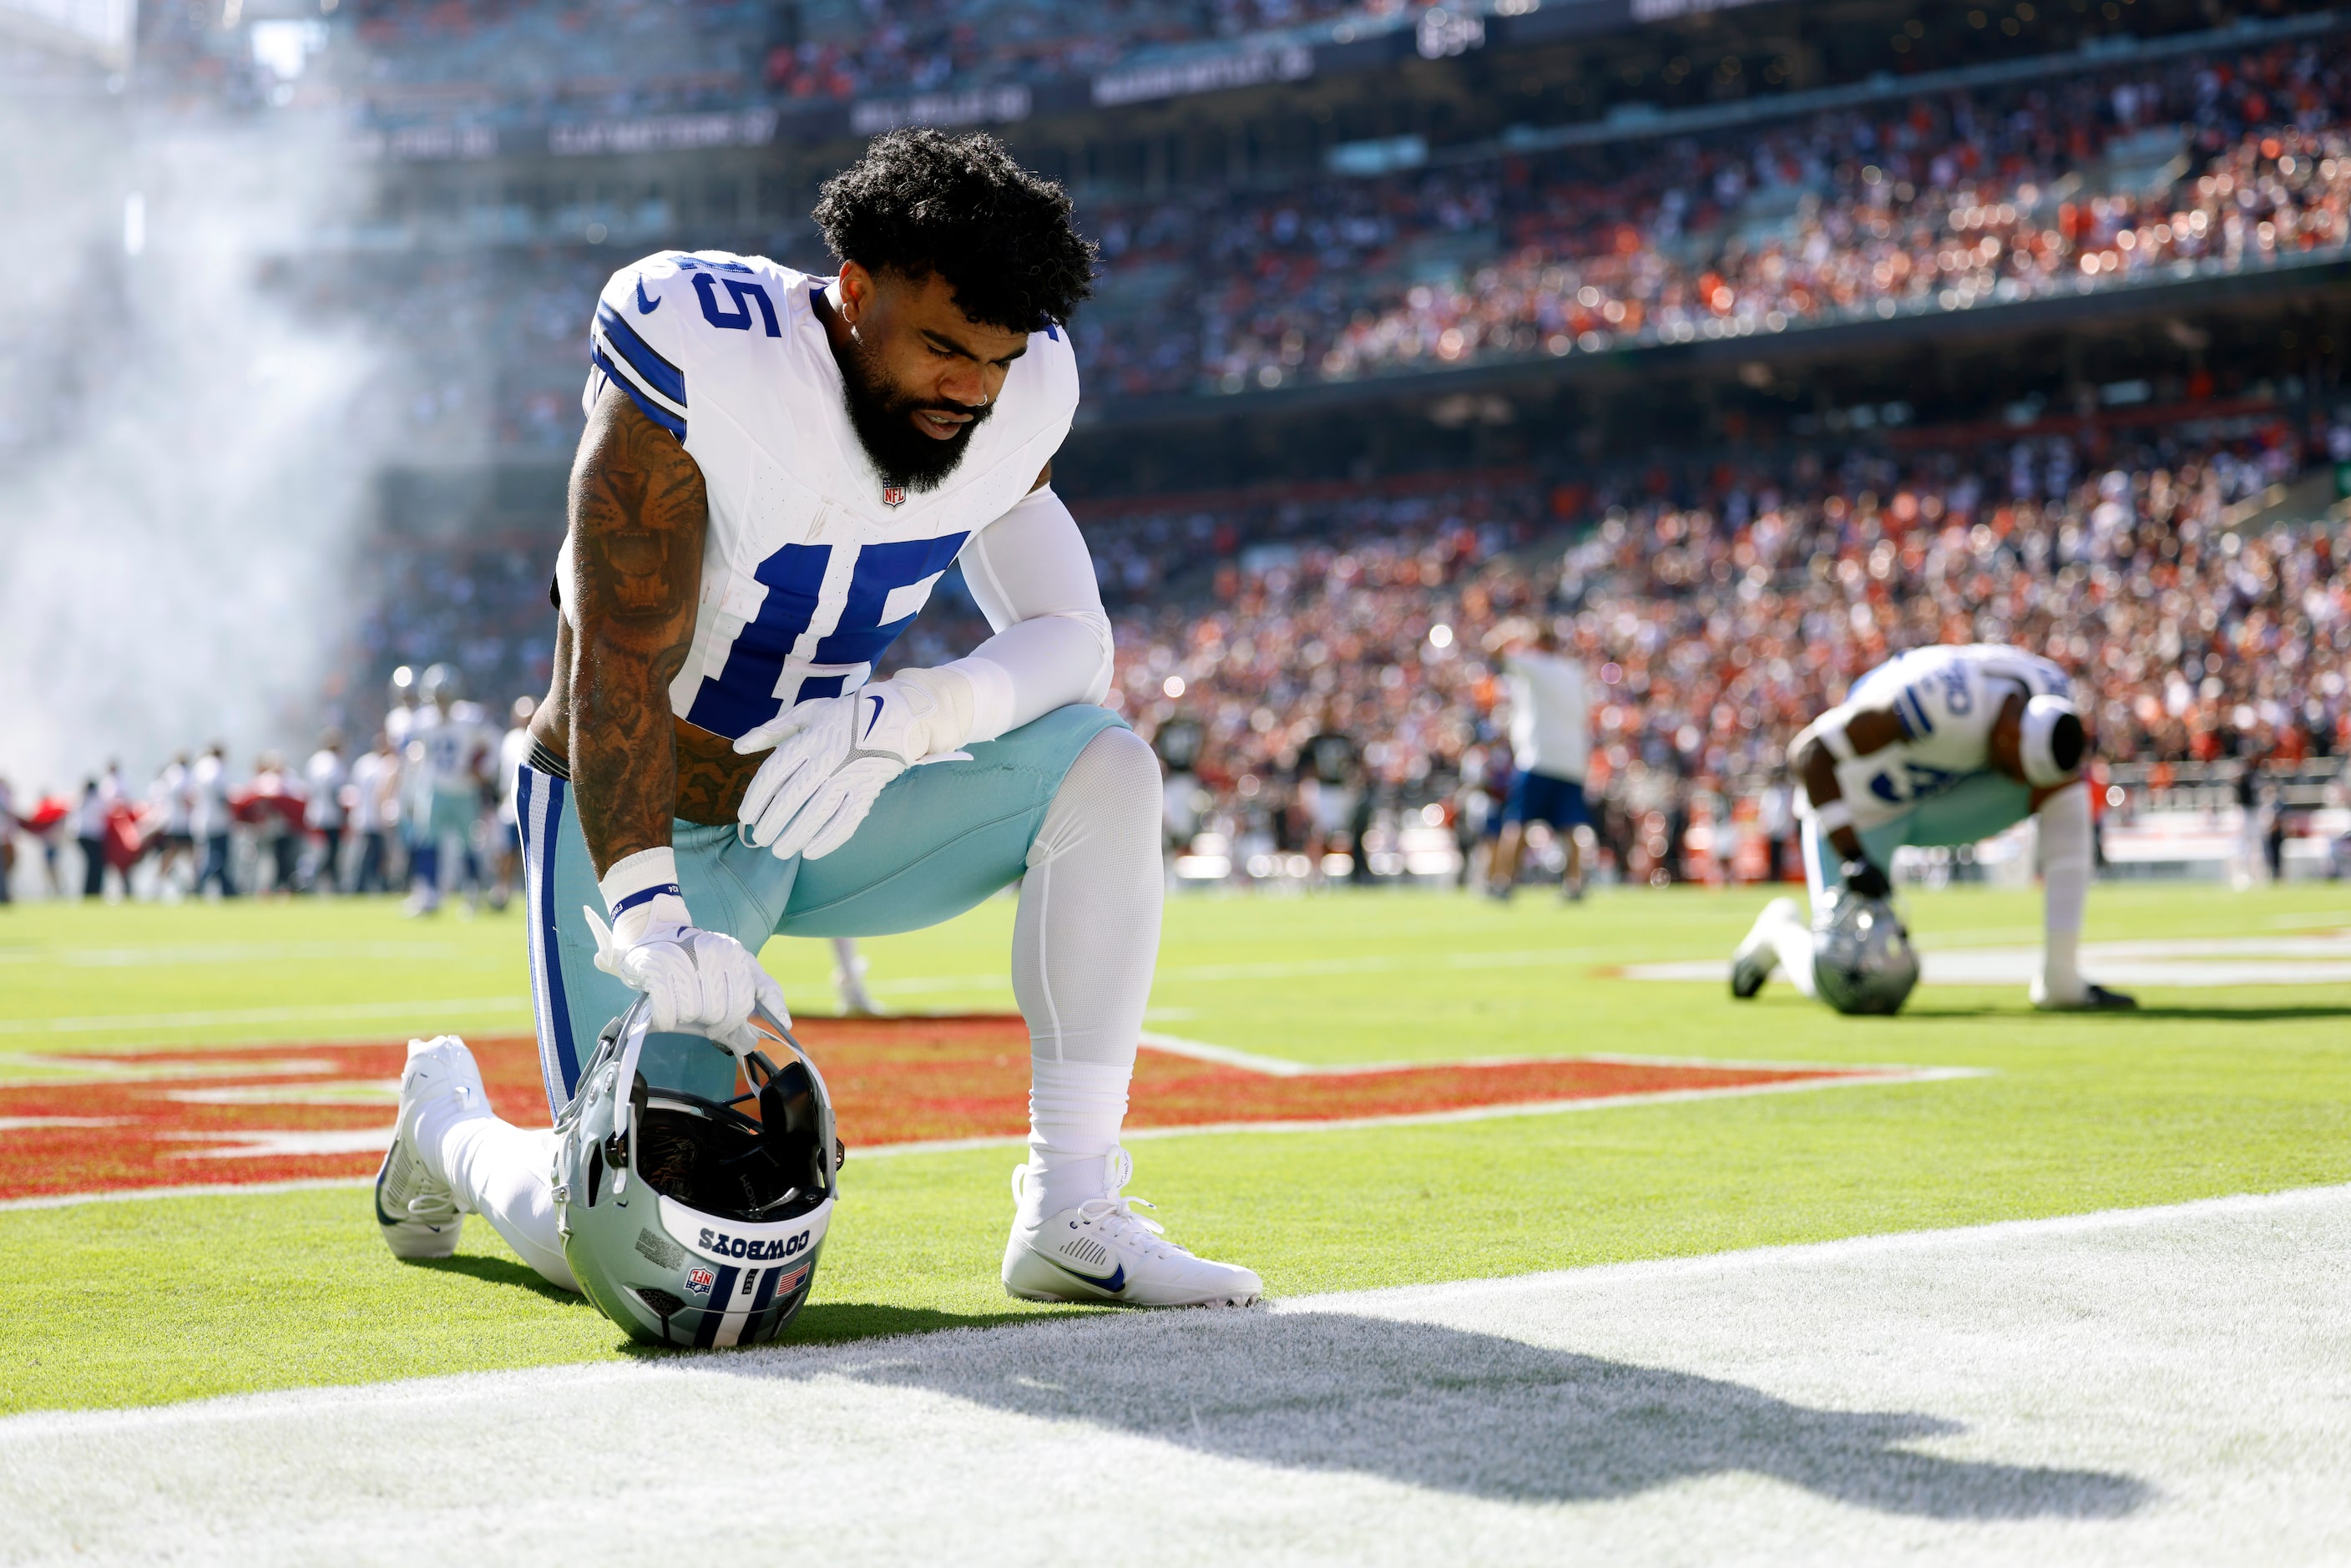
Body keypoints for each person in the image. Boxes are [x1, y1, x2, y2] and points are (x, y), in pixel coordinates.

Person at [373, 130, 1259, 1317]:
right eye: (942, 345)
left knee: (1108, 769)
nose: (970, 388)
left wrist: (913, 714)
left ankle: (1071, 1203)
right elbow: (614, 655)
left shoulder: (1019, 389)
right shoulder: (706, 353)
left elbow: (1072, 635)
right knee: (625, 1248)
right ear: (853, 295)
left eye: (994, 359)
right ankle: (449, 1124)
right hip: (641, 805)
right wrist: (646, 906)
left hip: (828, 793)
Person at [1729, 642, 2136, 1012]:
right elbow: (1810, 752)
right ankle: (1780, 932)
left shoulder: (2051, 693)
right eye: (2014, 769)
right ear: (2010, 735)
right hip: (1861, 812)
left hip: (1936, 801)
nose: (2015, 781)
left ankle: (2060, 978)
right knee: (1843, 979)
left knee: (2066, 786)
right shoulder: (1939, 701)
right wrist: (1853, 857)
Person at [1485, 619, 1595, 901]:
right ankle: (1575, 884)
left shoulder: (1534, 665)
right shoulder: (1573, 671)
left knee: (1518, 823)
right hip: (1572, 760)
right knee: (1571, 826)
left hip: (1538, 757)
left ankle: (1502, 883)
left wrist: (1510, 630)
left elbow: (1491, 650)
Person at [402, 664, 490, 916]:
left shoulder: (470, 718)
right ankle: (428, 894)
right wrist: (411, 790)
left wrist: (480, 770)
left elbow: (488, 747)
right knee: (428, 842)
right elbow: (414, 756)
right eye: (437, 697)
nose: (441, 702)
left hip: (464, 789)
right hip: (435, 789)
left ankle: (472, 895)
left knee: (469, 845)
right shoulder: (423, 721)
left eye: (444, 696)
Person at [490, 696, 536, 912]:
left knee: (532, 855)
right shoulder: (510, 739)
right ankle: (502, 891)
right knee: (507, 853)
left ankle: (531, 895)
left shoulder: (538, 737)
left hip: (532, 804)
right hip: (510, 804)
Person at [350, 731, 402, 895]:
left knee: (369, 851)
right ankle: (367, 884)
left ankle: (366, 883)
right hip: (375, 814)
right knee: (375, 853)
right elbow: (381, 793)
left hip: (362, 813)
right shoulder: (383, 765)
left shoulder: (363, 763)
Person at [305, 731, 350, 893]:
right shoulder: (334, 763)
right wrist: (342, 813)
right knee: (331, 853)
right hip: (330, 814)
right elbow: (334, 790)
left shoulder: (314, 761)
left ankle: (321, 881)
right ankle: (312, 879)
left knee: (323, 851)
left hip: (314, 812)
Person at [190, 743, 236, 898]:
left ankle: (227, 890)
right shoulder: (216, 766)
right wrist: (230, 810)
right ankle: (199, 885)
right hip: (218, 820)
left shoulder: (199, 766)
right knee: (218, 858)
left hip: (203, 818)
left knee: (214, 856)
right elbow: (219, 791)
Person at [149, 755, 195, 896]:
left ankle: (157, 887)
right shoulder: (182, 775)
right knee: (190, 857)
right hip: (183, 824)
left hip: (173, 823)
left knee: (170, 856)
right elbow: (187, 798)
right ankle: (194, 885)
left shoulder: (170, 776)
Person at [73, 778, 107, 900]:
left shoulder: (81, 799)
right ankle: (93, 891)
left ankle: (89, 891)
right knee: (95, 865)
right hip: (92, 836)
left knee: (91, 864)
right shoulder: (96, 800)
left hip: (81, 835)